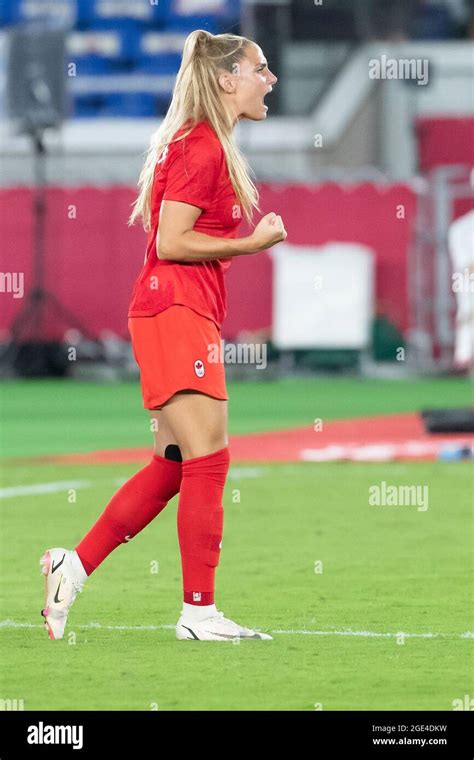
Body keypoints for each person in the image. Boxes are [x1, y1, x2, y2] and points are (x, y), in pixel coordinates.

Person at [40, 29, 286, 642]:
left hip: (173, 309)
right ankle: (199, 614)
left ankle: (72, 567)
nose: (270, 78)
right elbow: (174, 241)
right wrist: (251, 243)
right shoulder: (203, 147)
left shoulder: (206, 142)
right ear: (228, 78)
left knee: (175, 464)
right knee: (210, 459)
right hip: (175, 309)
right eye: (261, 67)